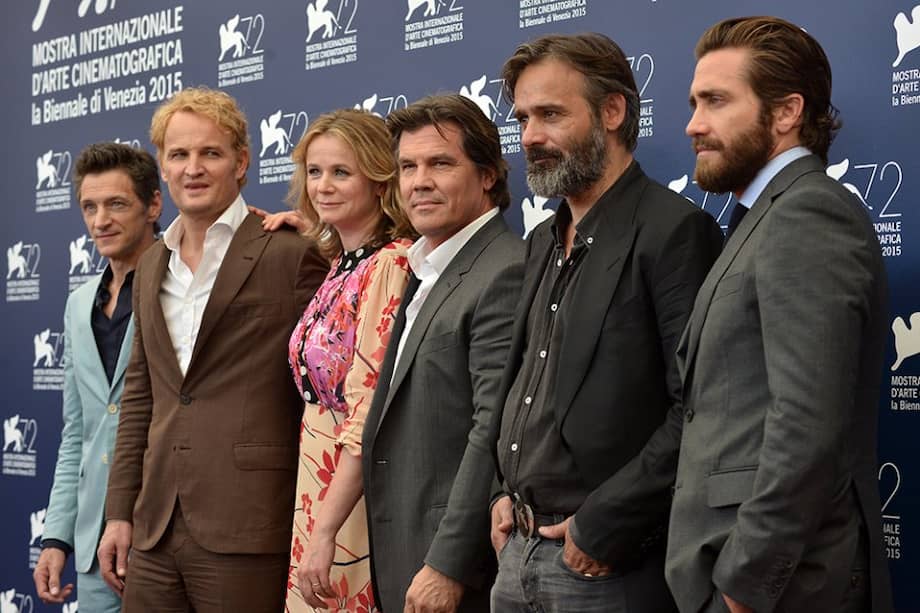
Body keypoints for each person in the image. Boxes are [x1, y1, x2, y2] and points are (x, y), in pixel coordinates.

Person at [489, 33, 723, 612]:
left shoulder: (673, 232)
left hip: (603, 566)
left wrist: (602, 526)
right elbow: (525, 383)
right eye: (522, 118)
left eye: (550, 114)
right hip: (516, 551)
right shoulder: (542, 239)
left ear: (612, 111)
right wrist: (503, 490)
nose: (530, 137)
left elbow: (696, 406)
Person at [666, 16, 894, 613]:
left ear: (788, 111)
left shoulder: (807, 214)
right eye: (694, 102)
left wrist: (746, 581)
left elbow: (809, 418)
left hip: (784, 585)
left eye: (715, 101)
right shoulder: (763, 215)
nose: (693, 124)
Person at [96, 86, 328, 612]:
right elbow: (141, 397)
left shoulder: (290, 253)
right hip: (153, 527)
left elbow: (334, 382)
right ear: (163, 166)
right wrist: (119, 513)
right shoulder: (152, 262)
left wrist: (328, 241)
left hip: (247, 523)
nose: (193, 168)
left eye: (211, 153)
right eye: (178, 155)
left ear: (241, 162)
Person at [361, 94, 525, 612]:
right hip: (402, 546)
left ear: (488, 177)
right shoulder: (427, 265)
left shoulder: (503, 269)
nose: (419, 181)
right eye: (408, 166)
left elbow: (491, 428)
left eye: (441, 163)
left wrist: (448, 563)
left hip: (452, 564)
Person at [273, 109, 416, 612]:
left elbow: (368, 407)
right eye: (314, 172)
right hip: (316, 480)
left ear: (380, 181)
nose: (323, 186)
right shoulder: (341, 260)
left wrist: (326, 527)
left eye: (341, 172)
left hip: (351, 489)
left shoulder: (391, 263)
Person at [33, 142, 162, 612]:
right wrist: (57, 537)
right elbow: (78, 434)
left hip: (161, 533)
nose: (100, 220)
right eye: (90, 206)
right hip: (90, 544)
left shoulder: (184, 282)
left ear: (153, 205)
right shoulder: (77, 302)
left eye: (116, 204)